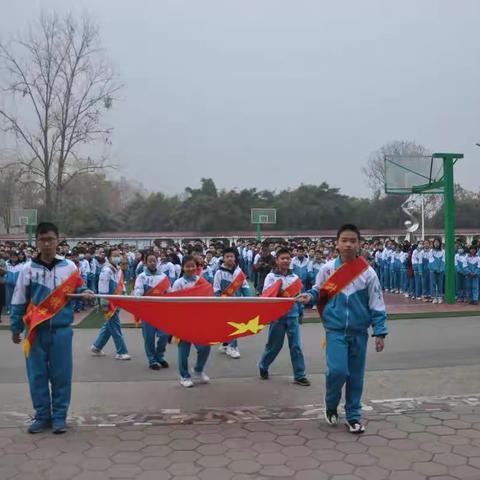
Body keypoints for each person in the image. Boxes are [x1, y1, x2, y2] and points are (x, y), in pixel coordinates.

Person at [299, 224, 387, 434]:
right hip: (335, 331)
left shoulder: (368, 273)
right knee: (337, 372)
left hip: (359, 332)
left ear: (359, 244)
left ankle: (354, 416)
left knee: (355, 377)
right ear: (337, 244)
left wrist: (380, 332)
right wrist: (309, 297)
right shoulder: (327, 269)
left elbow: (377, 303)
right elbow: (319, 291)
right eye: (344, 240)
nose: (348, 244)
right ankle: (331, 405)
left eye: (353, 241)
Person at [10, 222, 94, 434]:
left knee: (61, 375)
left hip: (61, 331)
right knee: (37, 375)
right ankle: (42, 416)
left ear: (58, 240)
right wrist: (15, 327)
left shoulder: (70, 267)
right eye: (42, 240)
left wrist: (85, 291)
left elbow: (80, 285)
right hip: (35, 330)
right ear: (37, 242)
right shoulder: (27, 269)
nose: (47, 244)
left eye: (50, 239)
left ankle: (59, 417)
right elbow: (18, 300)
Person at [258, 247, 310, 387]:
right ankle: (263, 365)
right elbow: (266, 294)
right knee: (274, 346)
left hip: (292, 315)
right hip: (277, 316)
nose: (286, 261)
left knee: (296, 346)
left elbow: (299, 297)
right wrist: (279, 290)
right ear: (277, 260)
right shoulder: (271, 276)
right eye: (283, 258)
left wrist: (300, 313)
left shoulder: (295, 278)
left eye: (288, 258)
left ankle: (300, 375)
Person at [172, 255, 212, 388]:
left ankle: (199, 370)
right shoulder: (178, 283)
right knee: (184, 349)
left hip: (199, 320)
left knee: (205, 347)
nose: (190, 268)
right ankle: (184, 376)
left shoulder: (201, 281)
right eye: (187, 266)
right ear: (183, 267)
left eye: (193, 266)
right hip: (183, 321)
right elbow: (173, 303)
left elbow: (208, 299)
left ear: (196, 267)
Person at [90, 247, 131, 360]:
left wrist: (125, 294)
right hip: (109, 302)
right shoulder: (106, 270)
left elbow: (121, 284)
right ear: (108, 257)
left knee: (109, 325)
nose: (117, 257)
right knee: (115, 325)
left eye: (118, 255)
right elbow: (102, 286)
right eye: (114, 255)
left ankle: (97, 346)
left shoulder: (118, 269)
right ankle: (121, 351)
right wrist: (104, 302)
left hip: (117, 300)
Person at [134, 252, 170, 370]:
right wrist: (138, 299)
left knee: (164, 335)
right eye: (150, 260)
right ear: (145, 262)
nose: (152, 263)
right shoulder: (142, 277)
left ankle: (160, 356)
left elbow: (169, 292)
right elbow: (138, 291)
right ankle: (152, 360)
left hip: (162, 312)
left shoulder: (163, 277)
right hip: (147, 312)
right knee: (149, 338)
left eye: (154, 260)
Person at [214, 247, 252, 359]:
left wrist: (248, 300)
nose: (230, 258)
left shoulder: (239, 272)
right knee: (226, 325)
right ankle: (227, 344)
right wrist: (218, 301)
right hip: (224, 303)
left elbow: (245, 286)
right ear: (223, 258)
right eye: (227, 257)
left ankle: (232, 346)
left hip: (237, 303)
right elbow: (216, 288)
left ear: (235, 258)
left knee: (235, 325)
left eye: (231, 256)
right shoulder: (219, 273)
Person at [429, 238, 445, 304]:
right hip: (432, 271)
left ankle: (439, 297)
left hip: (440, 271)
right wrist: (435, 268)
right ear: (433, 243)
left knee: (440, 284)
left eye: (437, 242)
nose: (436, 243)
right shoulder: (431, 251)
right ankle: (434, 298)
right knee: (432, 284)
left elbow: (444, 261)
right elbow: (431, 261)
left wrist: (440, 269)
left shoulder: (443, 251)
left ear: (440, 243)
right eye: (435, 242)